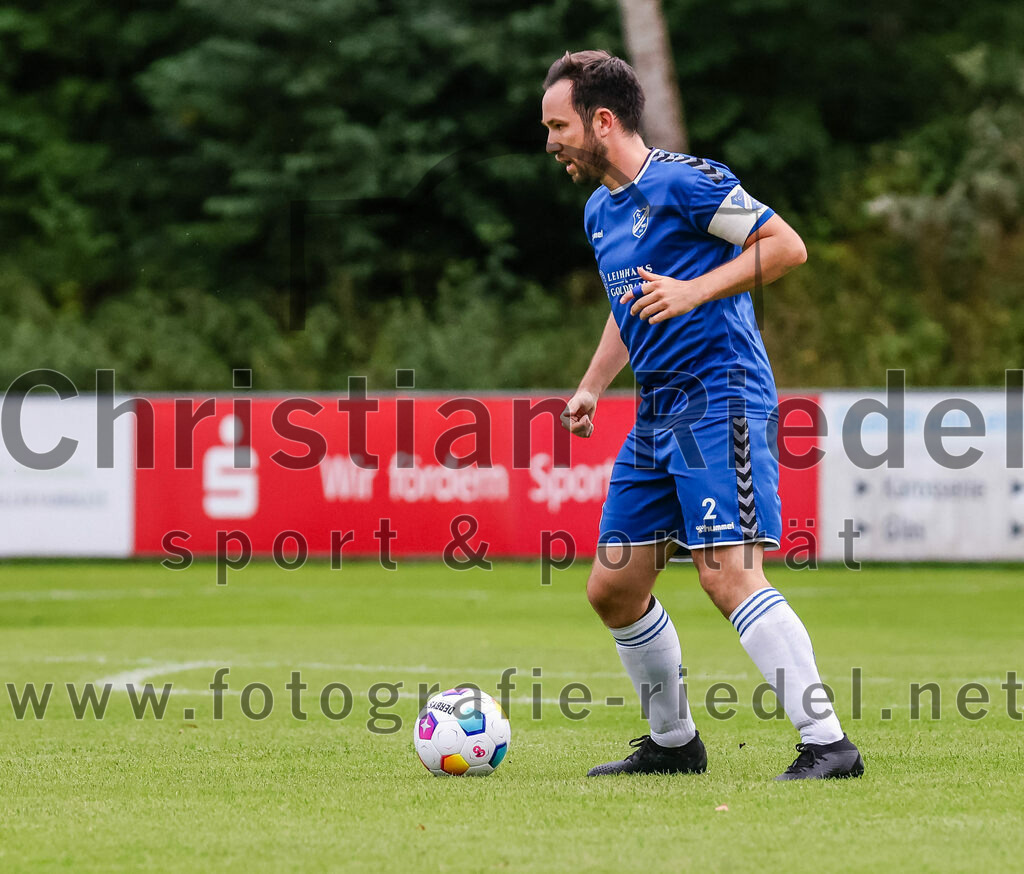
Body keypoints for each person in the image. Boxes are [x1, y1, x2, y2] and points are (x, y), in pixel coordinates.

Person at [542, 50, 863, 780]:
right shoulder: (601, 210)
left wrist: (695, 291)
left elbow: (785, 246)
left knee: (726, 573)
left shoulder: (687, 181)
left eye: (559, 125)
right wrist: (593, 384)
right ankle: (674, 744)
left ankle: (828, 745)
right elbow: (630, 307)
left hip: (722, 399)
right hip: (658, 413)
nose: (552, 141)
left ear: (602, 119)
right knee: (614, 587)